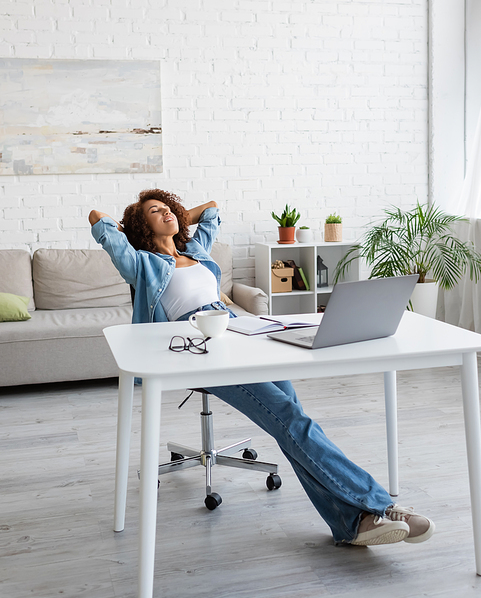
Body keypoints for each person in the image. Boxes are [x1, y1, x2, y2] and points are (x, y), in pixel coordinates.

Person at [89, 189, 435, 547]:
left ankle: (351, 524)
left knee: (291, 424)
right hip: (202, 351)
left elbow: (211, 209)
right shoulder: (140, 262)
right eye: (154, 212)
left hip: (243, 334)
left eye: (168, 207)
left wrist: (175, 217)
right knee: (292, 421)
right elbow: (98, 218)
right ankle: (380, 505)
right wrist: (135, 227)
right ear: (141, 227)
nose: (166, 213)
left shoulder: (195, 251)